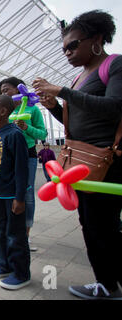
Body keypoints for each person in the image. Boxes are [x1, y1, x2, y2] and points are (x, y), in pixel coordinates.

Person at [33, 10, 122, 300]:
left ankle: (108, 285)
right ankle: (108, 281)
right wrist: (54, 107)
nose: (68, 53)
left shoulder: (115, 65)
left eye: (73, 45)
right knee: (94, 225)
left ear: (97, 39)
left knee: (102, 226)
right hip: (81, 161)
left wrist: (61, 91)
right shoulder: (79, 77)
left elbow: (114, 107)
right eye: (64, 49)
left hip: (106, 161)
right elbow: (75, 125)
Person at [0, 95, 30, 290]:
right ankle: (4, 265)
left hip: (12, 196)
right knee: (0, 232)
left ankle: (21, 273)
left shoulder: (15, 135)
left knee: (15, 235)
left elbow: (22, 169)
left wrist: (20, 198)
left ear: (3, 112)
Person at [0, 77, 47, 251]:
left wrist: (27, 128)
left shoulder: (33, 110)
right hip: (7, 158)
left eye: (7, 89)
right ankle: (11, 232)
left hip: (28, 155)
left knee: (26, 194)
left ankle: (25, 235)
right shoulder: (4, 111)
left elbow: (42, 133)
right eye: (2, 91)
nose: (4, 93)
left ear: (19, 89)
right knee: (9, 194)